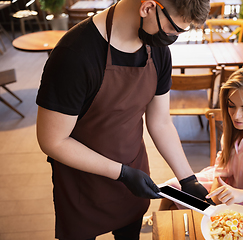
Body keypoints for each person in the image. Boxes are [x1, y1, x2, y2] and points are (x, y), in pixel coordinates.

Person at [35, 0, 212, 239]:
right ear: (148, 7)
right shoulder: (75, 55)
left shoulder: (157, 49)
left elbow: (160, 121)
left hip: (133, 174)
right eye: (175, 29)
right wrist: (122, 173)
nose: (174, 37)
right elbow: (53, 140)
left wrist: (188, 179)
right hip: (82, 183)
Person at [161, 66, 243, 211]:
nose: (236, 116)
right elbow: (223, 161)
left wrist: (240, 195)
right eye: (231, 106)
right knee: (169, 190)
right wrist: (213, 196)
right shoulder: (237, 125)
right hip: (226, 187)